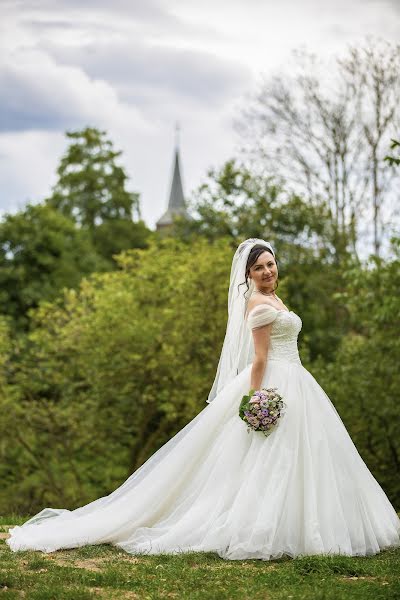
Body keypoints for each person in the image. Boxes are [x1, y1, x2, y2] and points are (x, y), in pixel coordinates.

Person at [6, 238, 400, 560]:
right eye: (259, 267)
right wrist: (257, 401)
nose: (268, 271)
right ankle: (263, 527)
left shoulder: (276, 299)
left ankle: (301, 523)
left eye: (271, 264)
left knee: (303, 456)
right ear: (248, 274)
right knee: (269, 459)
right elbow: (259, 358)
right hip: (274, 382)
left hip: (298, 379)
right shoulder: (260, 305)